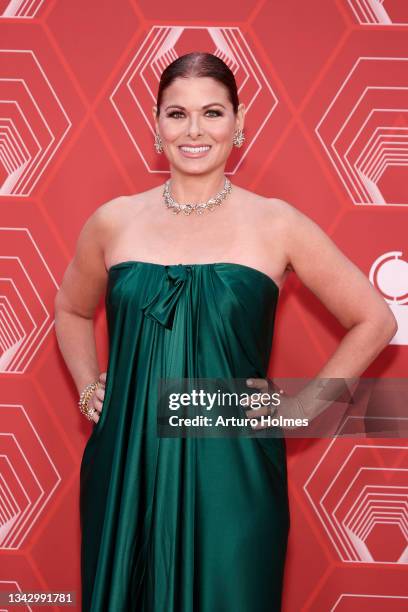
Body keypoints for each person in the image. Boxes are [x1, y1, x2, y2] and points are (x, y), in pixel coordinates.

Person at [54, 52, 398, 611]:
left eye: (213, 113)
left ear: (240, 124)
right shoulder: (114, 220)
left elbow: (375, 319)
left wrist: (306, 405)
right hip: (125, 462)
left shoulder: (276, 222)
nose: (194, 131)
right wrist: (91, 387)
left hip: (231, 467)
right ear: (156, 123)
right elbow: (69, 310)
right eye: (177, 114)